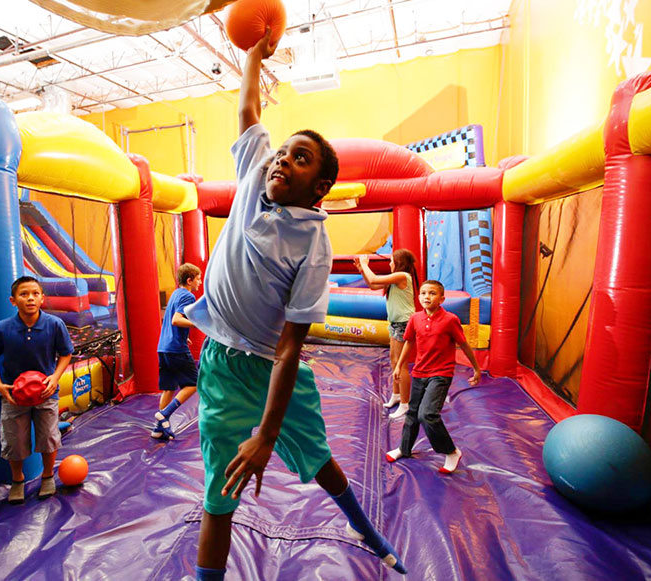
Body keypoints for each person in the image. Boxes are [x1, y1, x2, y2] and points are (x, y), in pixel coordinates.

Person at [182, 30, 406, 580]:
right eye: (283, 152)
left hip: (271, 367)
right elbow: (247, 108)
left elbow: (289, 348)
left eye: (298, 159)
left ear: (320, 187)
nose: (282, 160)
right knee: (220, 490)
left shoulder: (313, 245)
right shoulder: (254, 173)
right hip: (220, 361)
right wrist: (252, 57)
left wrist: (267, 433)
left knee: (319, 456)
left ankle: (360, 522)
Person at [0, 276, 74, 504]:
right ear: (13, 300)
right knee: (14, 441)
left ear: (42, 298)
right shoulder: (2, 328)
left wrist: (55, 377)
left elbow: (66, 353)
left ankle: (47, 476)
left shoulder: (54, 325)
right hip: (14, 397)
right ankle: (17, 480)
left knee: (49, 437)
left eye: (35, 293)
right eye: (24, 294)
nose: (30, 298)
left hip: (46, 394)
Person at [387, 280, 481, 473]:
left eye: (432, 293)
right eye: (423, 293)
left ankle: (451, 451)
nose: (426, 297)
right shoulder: (415, 318)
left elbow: (463, 344)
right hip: (420, 371)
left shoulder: (450, 320)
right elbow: (409, 342)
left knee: (427, 414)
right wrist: (399, 366)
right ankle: (404, 449)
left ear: (442, 299)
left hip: (441, 373)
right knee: (412, 413)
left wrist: (476, 368)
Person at [354, 249, 419, 419]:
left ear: (399, 263)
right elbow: (373, 284)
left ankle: (405, 404)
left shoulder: (402, 276)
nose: (390, 264)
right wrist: (362, 269)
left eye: (392, 261)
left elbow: (374, 278)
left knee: (401, 364)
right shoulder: (394, 279)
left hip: (404, 324)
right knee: (393, 360)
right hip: (395, 324)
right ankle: (396, 395)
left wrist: (366, 264)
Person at [151, 262, 202, 440]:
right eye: (198, 279)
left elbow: (170, 321)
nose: (200, 282)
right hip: (176, 349)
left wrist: (183, 334)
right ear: (189, 280)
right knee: (194, 384)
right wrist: (198, 323)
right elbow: (175, 320)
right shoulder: (188, 296)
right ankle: (165, 414)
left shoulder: (175, 294)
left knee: (168, 388)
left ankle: (158, 428)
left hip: (163, 347)